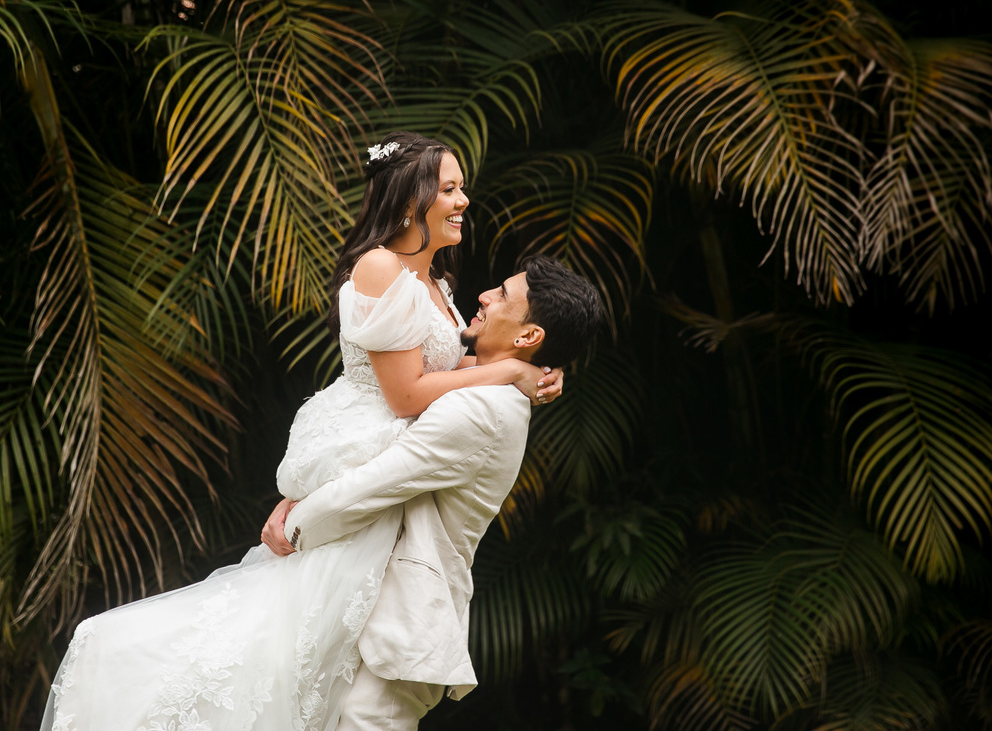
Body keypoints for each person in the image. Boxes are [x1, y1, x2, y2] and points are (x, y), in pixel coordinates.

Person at [38, 132, 563, 731]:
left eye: (460, 186)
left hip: (389, 455)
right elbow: (405, 394)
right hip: (370, 437)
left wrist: (534, 372)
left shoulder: (436, 282)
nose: (463, 199)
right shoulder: (381, 267)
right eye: (449, 188)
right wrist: (510, 369)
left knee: (310, 650)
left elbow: (448, 371)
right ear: (409, 201)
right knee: (270, 636)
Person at [262, 255, 604, 730]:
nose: (483, 296)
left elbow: (371, 487)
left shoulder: (481, 410)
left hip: (404, 629)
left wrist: (292, 526)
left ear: (529, 337)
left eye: (503, 295)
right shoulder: (484, 390)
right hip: (362, 597)